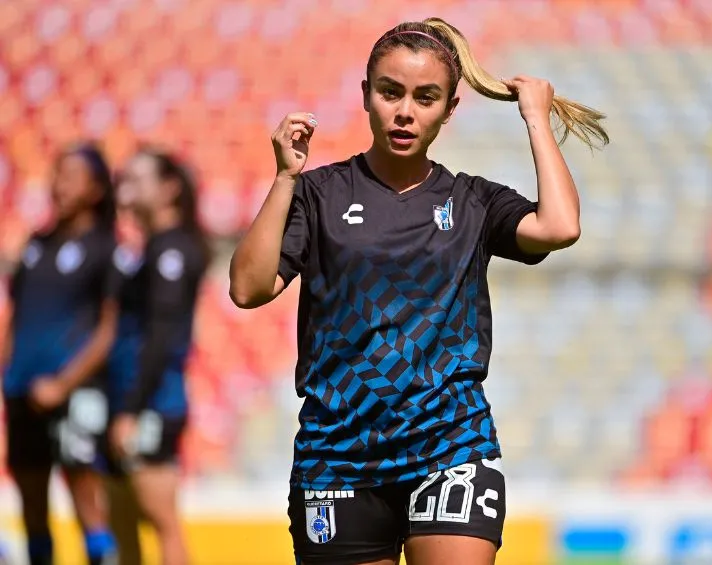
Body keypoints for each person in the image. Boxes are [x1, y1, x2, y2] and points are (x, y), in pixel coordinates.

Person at [229, 17, 608, 565]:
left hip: (450, 444)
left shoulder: (473, 201)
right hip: (338, 455)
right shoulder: (318, 193)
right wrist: (285, 178)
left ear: (450, 108)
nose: (405, 111)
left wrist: (536, 119)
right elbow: (248, 287)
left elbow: (559, 226)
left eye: (426, 98)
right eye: (390, 92)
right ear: (365, 95)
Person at [2, 143, 119, 565]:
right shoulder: (36, 245)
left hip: (75, 395)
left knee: (89, 507)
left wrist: (63, 384)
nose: (58, 183)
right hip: (21, 395)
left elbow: (109, 329)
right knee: (32, 510)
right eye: (56, 173)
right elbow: (16, 319)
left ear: (96, 189)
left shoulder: (106, 249)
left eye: (70, 175)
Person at [105, 148, 207, 565]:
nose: (125, 185)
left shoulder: (174, 250)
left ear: (169, 189)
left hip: (151, 403)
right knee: (121, 520)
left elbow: (162, 336)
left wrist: (131, 409)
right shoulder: (145, 249)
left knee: (160, 519)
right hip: (126, 401)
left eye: (137, 178)